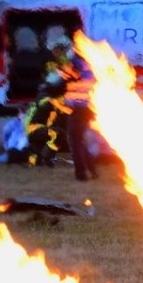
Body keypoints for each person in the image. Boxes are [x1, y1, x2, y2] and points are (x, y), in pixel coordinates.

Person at [51, 35, 98, 181]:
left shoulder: (74, 65)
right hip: (87, 107)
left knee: (74, 141)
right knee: (79, 140)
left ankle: (81, 174)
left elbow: (55, 81)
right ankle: (92, 170)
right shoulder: (87, 64)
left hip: (78, 108)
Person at [25, 73, 70, 167]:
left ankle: (35, 158)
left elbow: (63, 110)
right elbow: (45, 104)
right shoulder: (44, 96)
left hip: (37, 130)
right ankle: (47, 157)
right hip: (34, 129)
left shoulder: (48, 96)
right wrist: (60, 103)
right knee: (59, 133)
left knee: (36, 160)